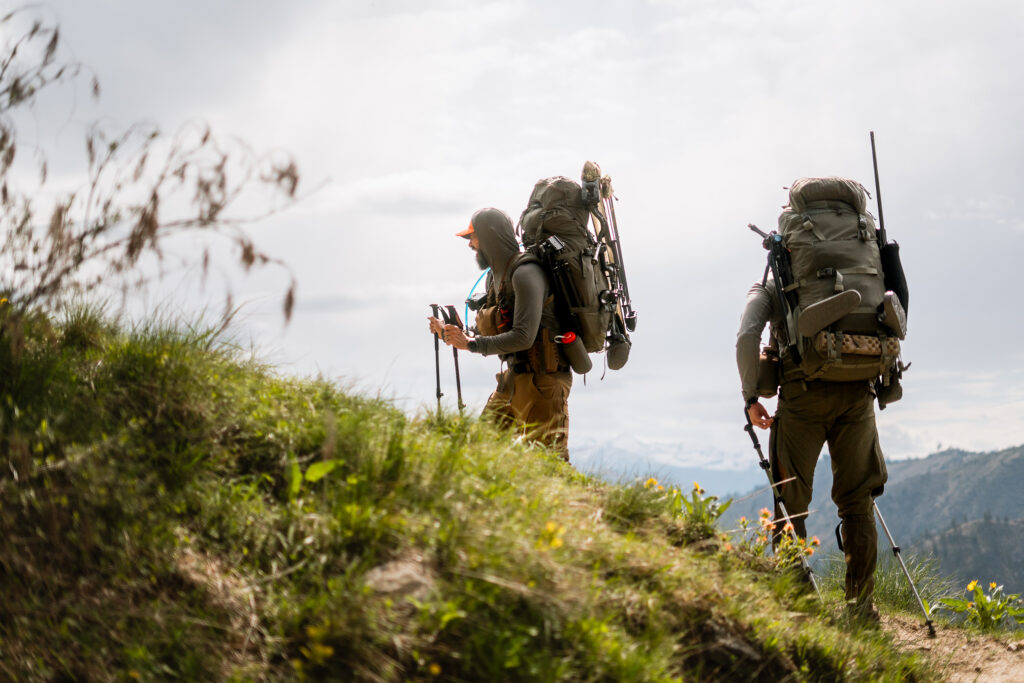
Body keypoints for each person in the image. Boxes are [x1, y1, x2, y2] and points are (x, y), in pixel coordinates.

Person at [737, 251, 887, 624]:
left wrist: (751, 396)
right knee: (857, 503)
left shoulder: (775, 285)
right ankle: (860, 608)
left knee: (790, 501)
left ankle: (798, 607)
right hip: (858, 393)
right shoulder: (867, 269)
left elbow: (746, 336)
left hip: (802, 399)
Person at [428, 207, 572, 461]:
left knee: (551, 466)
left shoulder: (527, 273)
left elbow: (523, 336)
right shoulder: (494, 279)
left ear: (490, 236)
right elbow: (494, 330)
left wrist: (471, 344)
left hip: (543, 384)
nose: (471, 244)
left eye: (473, 237)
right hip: (511, 381)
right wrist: (452, 333)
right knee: (479, 452)